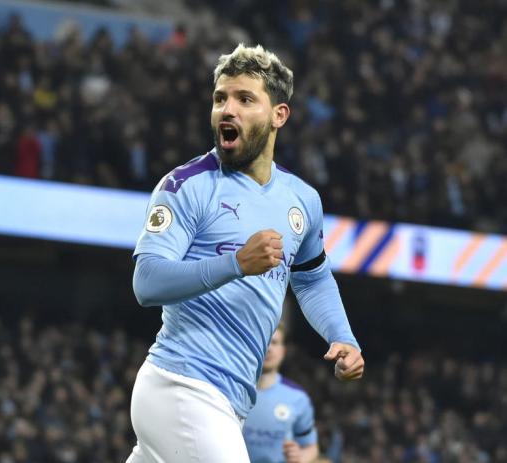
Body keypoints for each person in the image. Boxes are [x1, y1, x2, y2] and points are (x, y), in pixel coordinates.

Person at [126, 44, 364, 463]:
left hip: (229, 400)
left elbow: (312, 277)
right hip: (184, 385)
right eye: (220, 98)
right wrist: (236, 263)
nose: (227, 110)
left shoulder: (302, 201)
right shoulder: (186, 186)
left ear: (279, 116)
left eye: (245, 99)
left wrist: (341, 336)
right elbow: (146, 282)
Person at [243, 325, 319, 463]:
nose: (269, 348)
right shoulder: (233, 389)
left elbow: (311, 447)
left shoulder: (298, 397)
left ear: (283, 351)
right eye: (264, 341)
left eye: (274, 342)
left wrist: (300, 457)